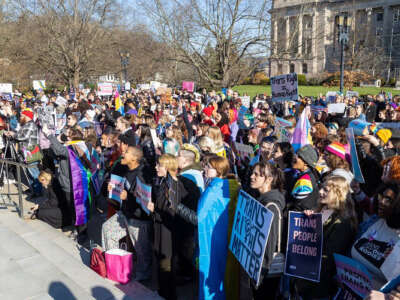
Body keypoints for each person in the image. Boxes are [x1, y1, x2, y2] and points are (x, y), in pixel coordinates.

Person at [147, 154, 200, 300]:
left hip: (168, 232)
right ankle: (163, 292)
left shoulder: (174, 186)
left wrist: (154, 210)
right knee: (162, 266)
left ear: (168, 166)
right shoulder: (165, 182)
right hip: (161, 229)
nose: (156, 167)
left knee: (166, 267)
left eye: (159, 165)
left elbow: (172, 213)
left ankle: (168, 295)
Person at [295, 176, 357, 298]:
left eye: (326, 190)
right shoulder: (321, 209)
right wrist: (306, 221)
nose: (320, 192)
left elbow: (328, 259)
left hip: (319, 285)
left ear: (338, 193)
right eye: (321, 188)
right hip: (305, 277)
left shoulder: (343, 222)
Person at [101, 146, 153, 281]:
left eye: (127, 152)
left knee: (141, 249)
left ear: (135, 158)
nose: (123, 153)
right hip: (124, 213)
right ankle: (114, 264)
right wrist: (112, 188)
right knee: (108, 230)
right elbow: (120, 188)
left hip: (138, 218)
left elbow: (145, 199)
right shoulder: (124, 169)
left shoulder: (143, 174)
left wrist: (128, 197)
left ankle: (143, 276)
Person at [198, 156, 240, 300]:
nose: (205, 169)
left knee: (212, 273)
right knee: (223, 273)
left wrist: (177, 207)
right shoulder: (232, 185)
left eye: (208, 167)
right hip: (226, 237)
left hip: (211, 239)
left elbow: (199, 217)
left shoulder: (213, 189)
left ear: (218, 170)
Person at [249, 161, 286, 299]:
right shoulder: (261, 199)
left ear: (269, 180)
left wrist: (259, 275)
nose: (252, 176)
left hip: (265, 271)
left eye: (257, 175)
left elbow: (269, 244)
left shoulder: (271, 206)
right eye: (253, 173)